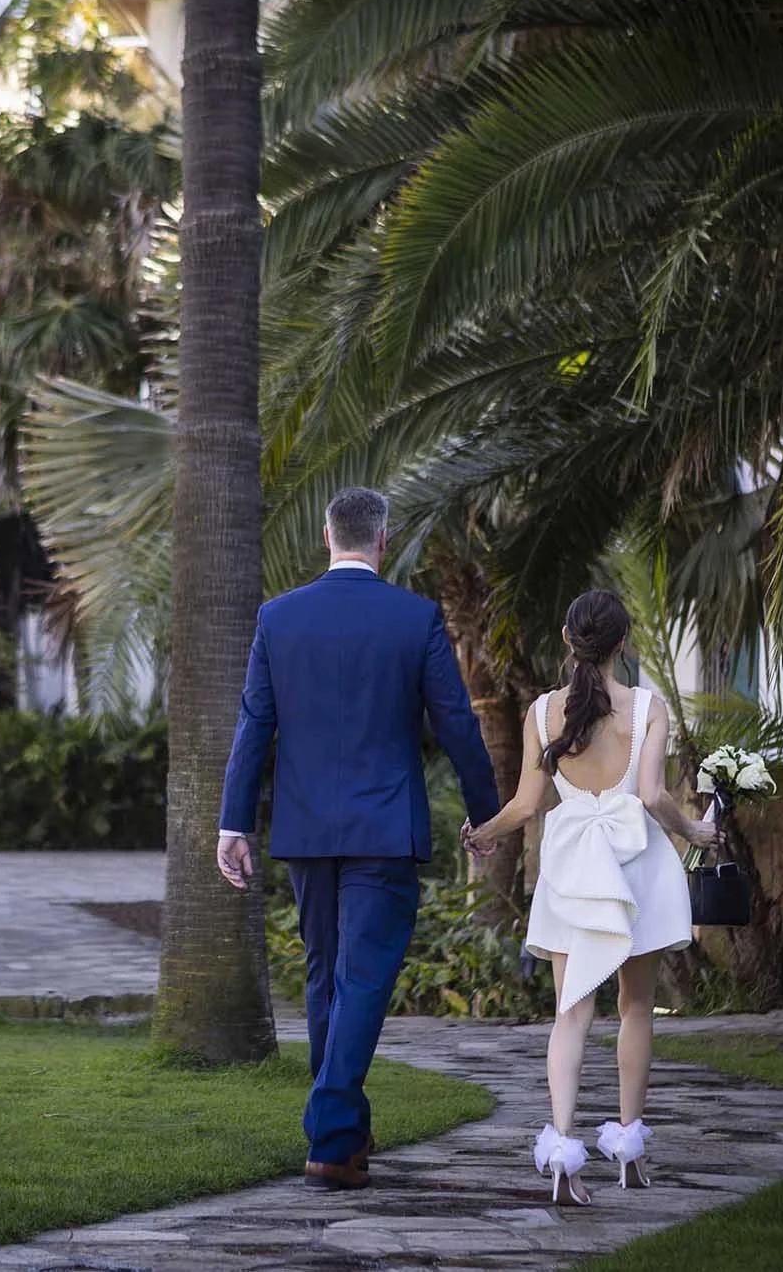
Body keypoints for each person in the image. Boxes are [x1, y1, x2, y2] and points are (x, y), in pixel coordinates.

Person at [217, 487, 501, 1191]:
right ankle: (335, 1133)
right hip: (382, 828)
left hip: (308, 828)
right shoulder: (415, 617)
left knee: (327, 974)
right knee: (362, 978)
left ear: (326, 537)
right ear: (382, 540)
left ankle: (342, 1129)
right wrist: (484, 809)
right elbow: (458, 724)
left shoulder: (278, 618)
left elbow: (255, 723)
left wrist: (234, 821)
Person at [466, 588, 717, 1204]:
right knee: (636, 1009)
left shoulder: (542, 712)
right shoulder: (648, 707)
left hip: (572, 870)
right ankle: (629, 1151)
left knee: (571, 1013)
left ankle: (562, 1155)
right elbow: (656, 797)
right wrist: (697, 832)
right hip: (637, 869)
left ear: (565, 638)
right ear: (622, 645)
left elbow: (527, 806)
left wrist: (483, 835)